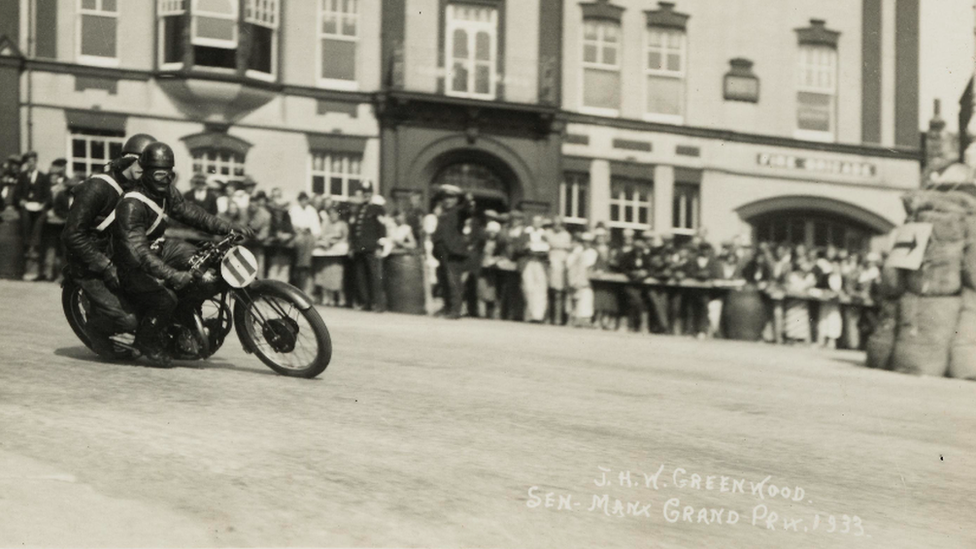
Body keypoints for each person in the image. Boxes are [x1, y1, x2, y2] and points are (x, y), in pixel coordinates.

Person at [112, 142, 252, 366]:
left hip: (161, 248)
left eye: (169, 173)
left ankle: (187, 317)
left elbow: (191, 213)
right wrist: (172, 275)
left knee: (204, 267)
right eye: (159, 174)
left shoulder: (166, 192)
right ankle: (145, 343)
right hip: (132, 263)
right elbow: (138, 252)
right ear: (146, 172)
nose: (165, 179)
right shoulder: (131, 205)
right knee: (166, 298)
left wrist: (227, 228)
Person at [62, 133, 157, 357]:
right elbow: (72, 235)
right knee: (129, 319)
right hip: (89, 266)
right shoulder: (97, 187)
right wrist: (104, 266)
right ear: (131, 159)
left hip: (118, 259)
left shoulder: (136, 189)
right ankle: (96, 329)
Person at [431, 185, 473, 319]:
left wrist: (467, 200)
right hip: (441, 250)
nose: (447, 200)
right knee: (443, 279)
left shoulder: (459, 211)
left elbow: (468, 210)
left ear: (456, 200)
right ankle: (447, 307)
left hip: (454, 251)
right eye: (445, 198)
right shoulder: (442, 212)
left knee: (452, 280)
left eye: (451, 197)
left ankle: (455, 310)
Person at [348, 180, 388, 312]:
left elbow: (381, 228)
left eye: (368, 192)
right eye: (364, 192)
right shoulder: (359, 208)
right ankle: (366, 302)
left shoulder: (377, 209)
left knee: (374, 276)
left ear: (372, 193)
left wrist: (380, 246)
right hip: (359, 247)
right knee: (361, 277)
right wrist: (352, 246)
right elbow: (354, 230)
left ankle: (378, 304)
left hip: (371, 247)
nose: (366, 195)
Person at [12, 151, 52, 278]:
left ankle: (33, 245)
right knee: (24, 217)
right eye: (28, 162)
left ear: (36, 162)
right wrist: (21, 200)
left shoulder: (43, 177)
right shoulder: (22, 176)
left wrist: (43, 204)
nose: (30, 164)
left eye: (32, 162)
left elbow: (48, 196)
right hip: (26, 206)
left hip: (39, 207)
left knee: (41, 219)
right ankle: (28, 244)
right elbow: (16, 194)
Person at [40, 159, 70, 281]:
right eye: (58, 167)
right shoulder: (46, 182)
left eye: (62, 167)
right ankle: (48, 273)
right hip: (49, 220)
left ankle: (60, 274)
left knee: (61, 248)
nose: (60, 170)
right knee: (50, 246)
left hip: (62, 220)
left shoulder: (68, 183)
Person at [518, 215, 551, 323]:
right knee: (528, 288)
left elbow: (547, 250)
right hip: (528, 262)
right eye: (535, 222)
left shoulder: (544, 235)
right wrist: (525, 247)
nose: (537, 224)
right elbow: (518, 247)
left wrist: (542, 250)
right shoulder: (526, 233)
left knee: (541, 288)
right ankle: (530, 314)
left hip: (540, 263)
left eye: (539, 222)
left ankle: (538, 316)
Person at [313, 207, 349, 306]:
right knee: (325, 274)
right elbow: (322, 236)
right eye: (331, 213)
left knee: (337, 276)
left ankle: (340, 299)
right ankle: (327, 298)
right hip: (327, 253)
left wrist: (335, 241)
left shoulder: (343, 224)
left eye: (335, 213)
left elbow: (345, 238)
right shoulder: (326, 224)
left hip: (337, 254)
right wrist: (325, 242)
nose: (333, 216)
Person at [289, 191, 322, 295]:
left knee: (306, 261)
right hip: (298, 234)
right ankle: (300, 266)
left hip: (309, 235)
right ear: (299, 201)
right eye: (301, 200)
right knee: (300, 242)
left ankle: (304, 267)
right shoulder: (294, 209)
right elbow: (293, 224)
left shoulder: (311, 210)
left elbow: (315, 227)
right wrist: (298, 230)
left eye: (305, 200)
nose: (304, 202)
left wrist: (313, 233)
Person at [546, 217, 572, 325]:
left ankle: (558, 319)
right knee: (547, 291)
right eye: (555, 224)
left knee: (559, 292)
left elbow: (558, 245)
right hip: (549, 262)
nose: (557, 227)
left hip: (560, 264)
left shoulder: (566, 235)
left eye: (559, 224)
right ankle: (547, 317)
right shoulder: (548, 233)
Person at [244, 190, 272, 277]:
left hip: (257, 244)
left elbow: (264, 233)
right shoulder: (243, 212)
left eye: (255, 201)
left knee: (258, 269)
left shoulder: (265, 215)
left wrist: (255, 236)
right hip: (243, 244)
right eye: (251, 201)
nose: (253, 204)